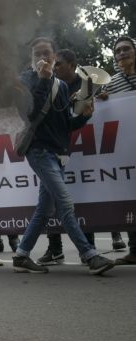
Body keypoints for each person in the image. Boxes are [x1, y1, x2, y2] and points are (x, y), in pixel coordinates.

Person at [12, 37, 114, 275]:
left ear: (54, 56)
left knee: (45, 209)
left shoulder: (62, 86)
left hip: (58, 154)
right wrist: (44, 80)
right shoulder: (24, 81)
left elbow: (66, 124)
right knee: (65, 203)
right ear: (31, 59)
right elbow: (31, 112)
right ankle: (90, 255)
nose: (42, 58)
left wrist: (85, 116)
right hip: (39, 151)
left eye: (46, 53)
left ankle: (21, 255)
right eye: (37, 54)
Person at [37, 49, 99, 265]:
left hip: (80, 154)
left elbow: (73, 121)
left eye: (59, 64)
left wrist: (89, 106)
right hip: (57, 152)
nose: (55, 67)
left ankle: (89, 248)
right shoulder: (51, 85)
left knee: (77, 200)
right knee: (54, 202)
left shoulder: (83, 83)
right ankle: (56, 249)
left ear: (73, 65)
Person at [97, 36, 136, 265]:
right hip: (128, 148)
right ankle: (135, 249)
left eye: (126, 49)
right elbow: (98, 108)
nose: (122, 53)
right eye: (118, 51)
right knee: (132, 198)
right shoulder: (112, 83)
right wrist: (102, 99)